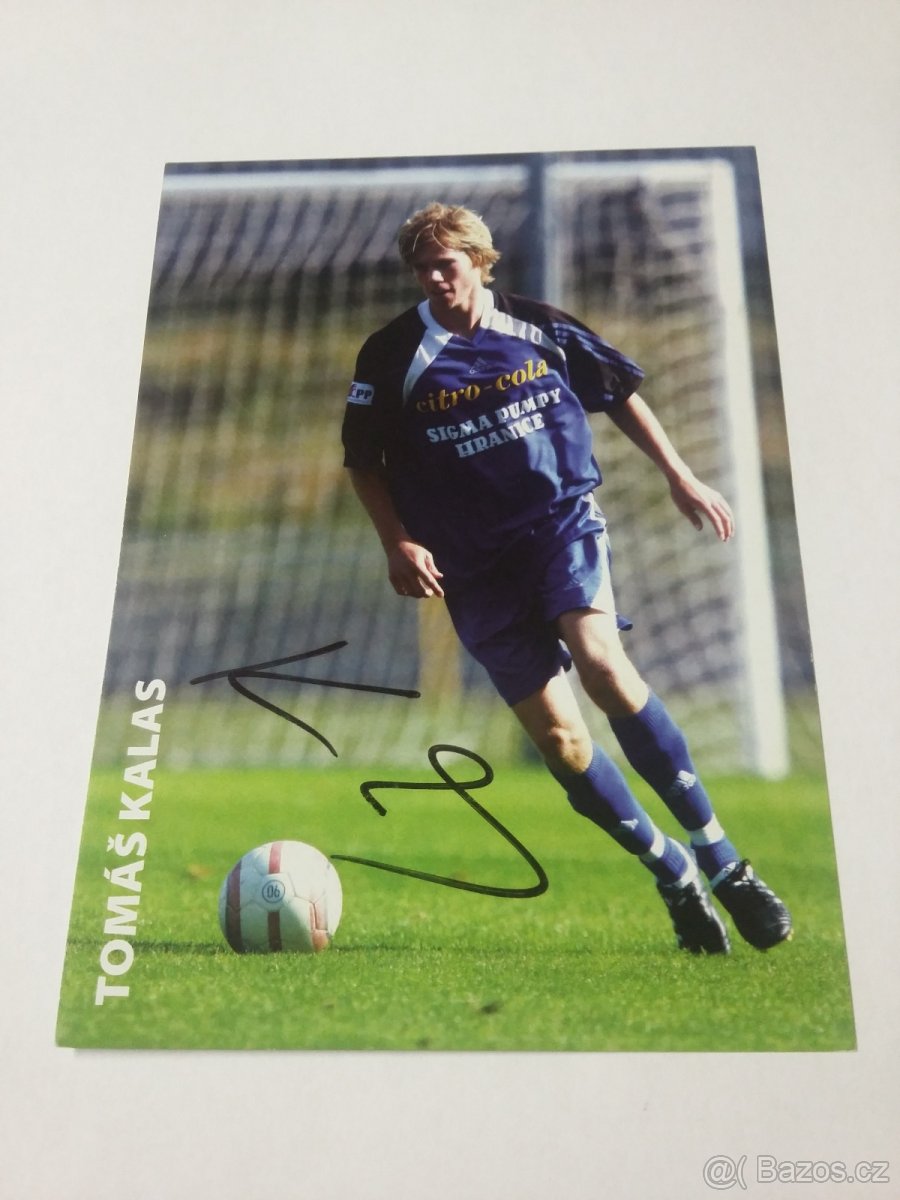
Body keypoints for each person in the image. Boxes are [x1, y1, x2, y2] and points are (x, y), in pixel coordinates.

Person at [341, 201, 792, 954]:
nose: (433, 279)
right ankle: (672, 871)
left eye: (445, 264)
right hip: (471, 565)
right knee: (562, 740)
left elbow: (618, 392)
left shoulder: (538, 325)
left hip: (559, 526)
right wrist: (399, 542)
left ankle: (722, 858)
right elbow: (363, 462)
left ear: (479, 261)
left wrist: (680, 475)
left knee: (603, 665)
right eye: (421, 269)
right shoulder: (392, 355)